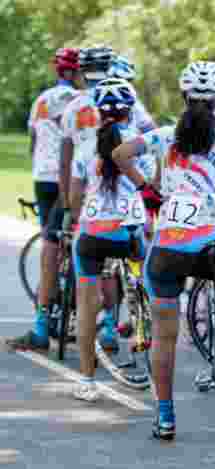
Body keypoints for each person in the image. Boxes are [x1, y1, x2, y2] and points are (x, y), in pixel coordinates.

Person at [112, 61, 215, 440]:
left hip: (164, 252)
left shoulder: (163, 135)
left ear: (183, 97)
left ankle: (164, 416)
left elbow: (119, 155)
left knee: (164, 337)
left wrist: (145, 188)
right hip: (207, 248)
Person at [9, 45, 154, 353]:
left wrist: (65, 203)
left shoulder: (75, 105)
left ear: (81, 72)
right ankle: (114, 328)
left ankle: (40, 324)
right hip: (124, 188)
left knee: (53, 244)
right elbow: (152, 135)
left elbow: (65, 156)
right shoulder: (127, 96)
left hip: (83, 185)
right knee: (118, 257)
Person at [68, 78, 152, 401]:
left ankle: (87, 382)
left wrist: (76, 219)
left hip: (92, 232)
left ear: (98, 112)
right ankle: (140, 324)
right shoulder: (141, 142)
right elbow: (151, 186)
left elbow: (75, 194)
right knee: (146, 278)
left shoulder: (85, 144)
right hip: (128, 232)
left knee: (87, 306)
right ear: (130, 110)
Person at [26, 48, 81, 290]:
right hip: (66, 175)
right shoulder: (79, 100)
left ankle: (49, 289)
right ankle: (64, 284)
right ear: (72, 72)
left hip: (41, 175)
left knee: (49, 236)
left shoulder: (41, 99)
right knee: (70, 233)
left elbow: (33, 139)